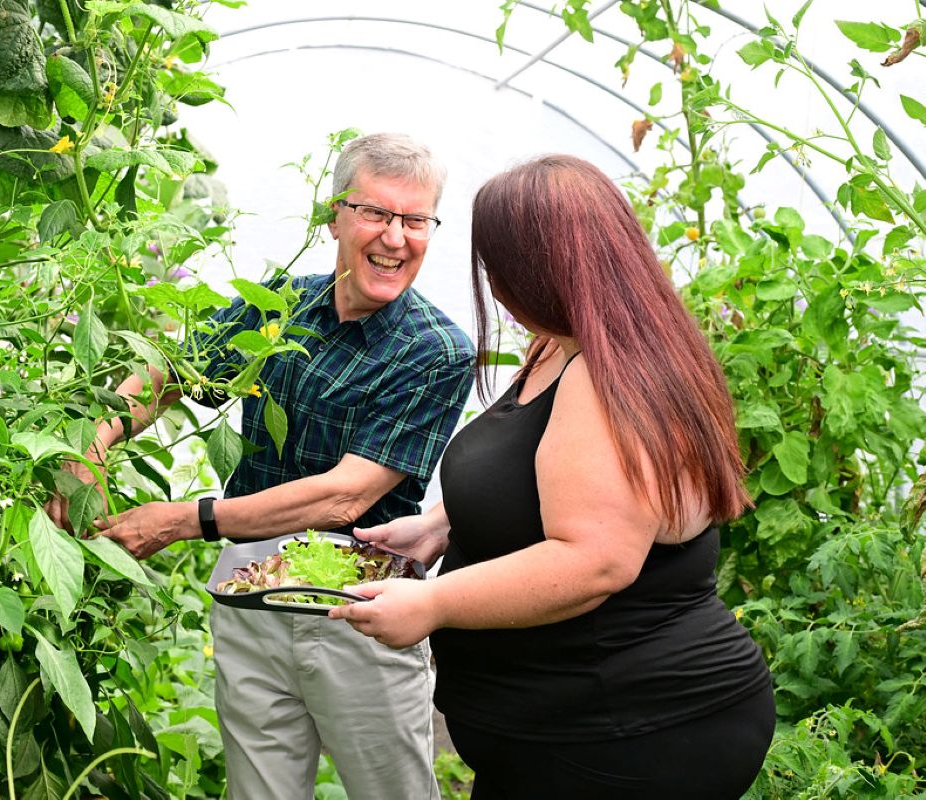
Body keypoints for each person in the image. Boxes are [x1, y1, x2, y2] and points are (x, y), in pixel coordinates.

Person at [330, 154, 775, 800]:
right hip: (568, 731)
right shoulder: (565, 342)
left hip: (629, 735)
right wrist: (439, 526)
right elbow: (534, 465)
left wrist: (432, 603)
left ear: (535, 268)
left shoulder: (603, 374)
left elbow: (597, 560)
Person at [48, 133, 474, 800]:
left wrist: (186, 520)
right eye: (375, 213)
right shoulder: (280, 307)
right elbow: (171, 371)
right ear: (334, 215)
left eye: (415, 220)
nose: (395, 238)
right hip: (250, 596)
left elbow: (345, 498)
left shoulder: (435, 350)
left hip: (357, 610)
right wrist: (92, 446)